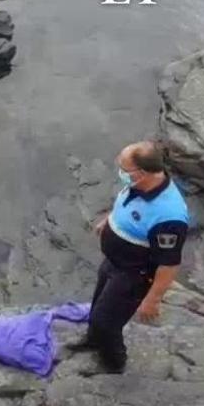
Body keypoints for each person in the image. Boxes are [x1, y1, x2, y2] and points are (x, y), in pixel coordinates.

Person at [70, 141, 190, 374]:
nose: (120, 171)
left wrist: (152, 300)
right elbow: (127, 205)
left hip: (133, 275)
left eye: (124, 168)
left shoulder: (169, 216)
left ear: (143, 173)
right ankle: (93, 340)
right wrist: (110, 222)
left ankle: (114, 363)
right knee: (97, 308)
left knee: (107, 322)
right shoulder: (139, 185)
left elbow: (169, 263)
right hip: (113, 262)